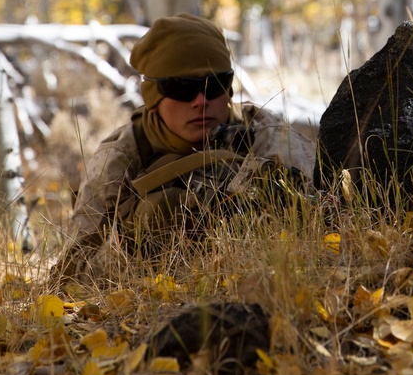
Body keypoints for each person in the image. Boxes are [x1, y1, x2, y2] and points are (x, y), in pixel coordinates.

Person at [55, 14, 303, 277]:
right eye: (182, 88)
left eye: (214, 84)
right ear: (153, 96)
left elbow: (326, 220)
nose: (200, 101)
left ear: (229, 88)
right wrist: (148, 229)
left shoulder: (266, 132)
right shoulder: (121, 156)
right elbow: (73, 272)